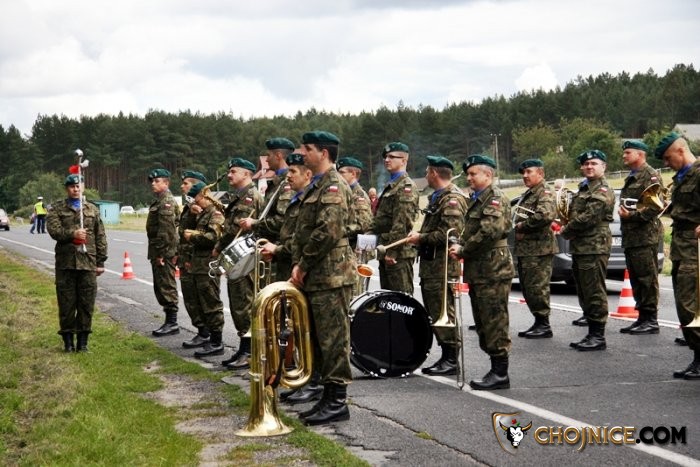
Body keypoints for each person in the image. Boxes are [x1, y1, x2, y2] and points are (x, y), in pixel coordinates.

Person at [290, 130, 355, 425]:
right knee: (318, 340)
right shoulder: (318, 184)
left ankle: (337, 401)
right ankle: (326, 397)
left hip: (331, 276)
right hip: (319, 275)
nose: (302, 153)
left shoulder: (333, 185)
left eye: (307, 149)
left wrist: (302, 265)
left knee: (333, 341)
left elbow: (328, 231)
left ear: (324, 153)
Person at [449, 155, 513, 390]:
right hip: (481, 269)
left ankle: (500, 372)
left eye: (473, 173)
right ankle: (495, 368)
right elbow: (472, 230)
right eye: (468, 174)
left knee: (495, 320)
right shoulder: (478, 200)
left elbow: (489, 232)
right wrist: (460, 243)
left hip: (493, 268)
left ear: (488, 175)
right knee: (484, 321)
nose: (469, 178)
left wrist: (463, 249)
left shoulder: (494, 199)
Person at [406, 155, 467, 376]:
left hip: (442, 266)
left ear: (434, 173)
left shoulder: (451, 199)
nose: (425, 176)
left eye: (427, 172)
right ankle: (446, 355)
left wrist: (420, 238)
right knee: (435, 311)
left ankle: (451, 358)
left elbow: (448, 235)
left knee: (443, 311)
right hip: (433, 266)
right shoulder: (439, 197)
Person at [655, 132, 700, 380]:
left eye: (667, 157)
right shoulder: (682, 177)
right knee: (686, 307)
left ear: (681, 150)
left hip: (696, 249)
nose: (666, 163)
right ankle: (697, 357)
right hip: (682, 248)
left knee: (690, 305)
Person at [211, 158, 264, 368]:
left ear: (247, 174)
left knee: (244, 305)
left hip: (245, 259)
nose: (229, 175)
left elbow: (235, 229)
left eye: (234, 171)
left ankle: (249, 351)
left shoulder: (249, 197)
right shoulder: (239, 196)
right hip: (238, 258)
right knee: (238, 305)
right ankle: (244, 348)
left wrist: (218, 247)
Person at [46, 174, 107, 352]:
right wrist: (73, 234)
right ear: (67, 188)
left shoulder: (92, 209)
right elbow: (54, 231)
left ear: (83, 187)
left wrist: (101, 261)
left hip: (88, 263)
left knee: (86, 305)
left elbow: (100, 236)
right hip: (66, 264)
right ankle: (68, 343)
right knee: (66, 304)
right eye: (72, 186)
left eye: (78, 185)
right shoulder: (57, 208)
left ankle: (83, 343)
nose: (75, 189)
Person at [561, 150, 615, 351]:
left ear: (604, 167)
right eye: (586, 164)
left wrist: (566, 230)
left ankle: (598, 336)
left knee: (594, 291)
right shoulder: (584, 189)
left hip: (594, 246)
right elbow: (575, 214)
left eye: (594, 163)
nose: (589, 167)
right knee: (584, 290)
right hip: (582, 246)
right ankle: (592, 332)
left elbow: (589, 217)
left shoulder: (602, 190)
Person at [618, 141, 664, 335]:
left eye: (628, 152)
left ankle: (651, 319)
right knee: (636, 278)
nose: (624, 156)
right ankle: (642, 317)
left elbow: (656, 206)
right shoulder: (632, 176)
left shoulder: (650, 176)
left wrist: (631, 216)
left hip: (645, 236)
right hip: (632, 237)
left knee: (647, 278)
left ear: (640, 154)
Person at [513, 159, 557, 339]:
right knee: (528, 288)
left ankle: (544, 324)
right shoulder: (529, 193)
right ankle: (538, 321)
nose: (525, 176)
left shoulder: (544, 191)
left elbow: (544, 215)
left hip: (539, 249)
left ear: (540, 173)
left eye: (529, 172)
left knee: (537, 288)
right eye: (523, 173)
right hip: (527, 250)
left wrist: (522, 227)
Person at [182, 181, 227, 358]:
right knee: (201, 303)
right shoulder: (202, 214)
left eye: (197, 198)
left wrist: (193, 236)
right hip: (198, 265)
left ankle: (217, 342)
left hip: (209, 265)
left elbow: (213, 237)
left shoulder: (215, 213)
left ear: (204, 195)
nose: (196, 202)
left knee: (211, 304)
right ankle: (208, 337)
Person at [239, 137, 296, 275]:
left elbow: (282, 220)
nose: (267, 159)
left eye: (268, 155)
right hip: (272, 251)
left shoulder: (287, 184)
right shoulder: (277, 183)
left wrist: (254, 224)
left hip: (279, 252)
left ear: (279, 155)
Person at [371, 142, 419, 294]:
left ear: (404, 160)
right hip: (386, 250)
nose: (387, 160)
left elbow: (402, 223)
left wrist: (392, 251)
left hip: (398, 254)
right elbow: (382, 220)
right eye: (386, 157)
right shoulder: (392, 185)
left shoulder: (405, 187)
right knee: (387, 299)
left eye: (392, 157)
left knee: (401, 300)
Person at [260, 152, 312, 283]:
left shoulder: (309, 201)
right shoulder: (296, 199)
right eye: (288, 171)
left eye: (293, 171)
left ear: (307, 175)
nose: (288, 175)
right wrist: (274, 252)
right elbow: (287, 235)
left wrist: (276, 249)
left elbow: (303, 240)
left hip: (300, 271)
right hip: (286, 265)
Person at [177, 170, 211, 348]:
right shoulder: (189, 206)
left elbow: (205, 234)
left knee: (203, 299)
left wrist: (195, 214)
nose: (182, 186)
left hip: (198, 261)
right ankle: (202, 331)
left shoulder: (204, 206)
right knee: (190, 298)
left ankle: (209, 334)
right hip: (187, 259)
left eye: (186, 183)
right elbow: (182, 232)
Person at [146, 169, 181, 337]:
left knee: (166, 286)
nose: (153, 183)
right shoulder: (159, 200)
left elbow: (166, 231)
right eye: (152, 181)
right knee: (160, 286)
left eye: (157, 181)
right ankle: (169, 321)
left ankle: (172, 323)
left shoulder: (166, 201)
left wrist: (161, 253)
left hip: (164, 252)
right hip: (159, 250)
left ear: (166, 183)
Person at [337, 156, 373, 250]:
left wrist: (339, 231)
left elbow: (363, 225)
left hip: (355, 248)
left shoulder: (359, 196)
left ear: (353, 174)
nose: (338, 176)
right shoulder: (345, 193)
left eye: (342, 172)